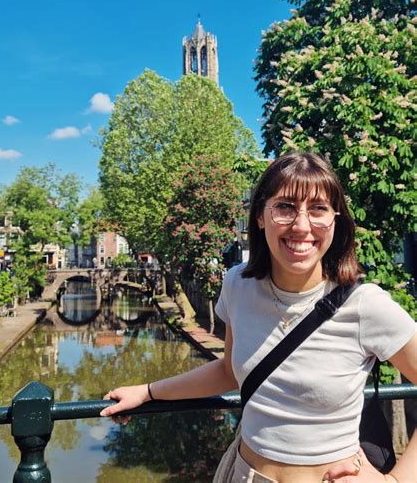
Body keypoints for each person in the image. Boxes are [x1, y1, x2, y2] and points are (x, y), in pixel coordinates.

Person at [101, 152, 416, 483]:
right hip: (244, 473)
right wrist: (148, 392)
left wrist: (394, 481)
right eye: (285, 207)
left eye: (318, 209)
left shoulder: (364, 305)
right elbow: (228, 370)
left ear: (335, 220)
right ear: (260, 217)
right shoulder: (238, 285)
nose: (302, 225)